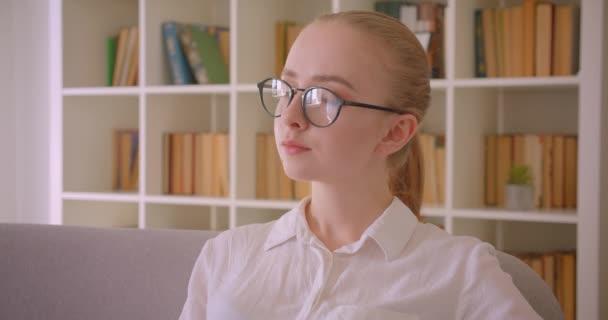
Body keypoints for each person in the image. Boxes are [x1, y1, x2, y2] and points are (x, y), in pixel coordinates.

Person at [179, 10, 542, 320]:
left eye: (324, 97)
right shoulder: (226, 255)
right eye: (286, 90)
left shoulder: (462, 272)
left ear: (395, 132)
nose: (289, 116)